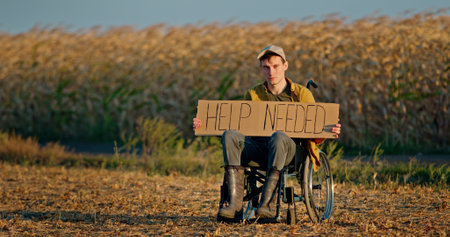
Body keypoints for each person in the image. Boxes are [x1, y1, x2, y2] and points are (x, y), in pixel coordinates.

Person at [193, 45, 341, 220]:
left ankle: (268, 204)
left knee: (278, 136)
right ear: (261, 69)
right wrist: (208, 125)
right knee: (230, 135)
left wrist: (327, 131)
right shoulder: (253, 94)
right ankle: (234, 206)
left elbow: (314, 133)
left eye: (276, 66)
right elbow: (238, 126)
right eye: (266, 67)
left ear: (285, 66)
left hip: (290, 152)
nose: (271, 72)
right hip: (259, 149)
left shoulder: (302, 94)